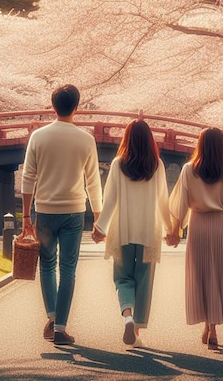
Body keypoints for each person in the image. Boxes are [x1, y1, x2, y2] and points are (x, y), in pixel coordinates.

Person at [21, 84, 103, 345]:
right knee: (68, 268)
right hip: (74, 212)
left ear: (53, 106)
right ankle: (60, 328)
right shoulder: (86, 139)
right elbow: (93, 182)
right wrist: (98, 217)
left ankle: (52, 317)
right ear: (76, 107)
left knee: (47, 265)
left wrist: (25, 217)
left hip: (44, 210)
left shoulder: (38, 136)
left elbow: (28, 178)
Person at [91, 120, 176, 348]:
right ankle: (136, 330)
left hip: (123, 231)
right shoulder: (156, 165)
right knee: (144, 280)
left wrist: (100, 228)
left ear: (126, 139)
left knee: (122, 278)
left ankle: (127, 315)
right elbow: (163, 201)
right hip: (148, 232)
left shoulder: (119, 164)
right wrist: (171, 229)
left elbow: (110, 200)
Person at [169, 127, 223, 350]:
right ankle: (212, 328)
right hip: (220, 225)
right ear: (222, 147)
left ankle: (206, 324)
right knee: (217, 275)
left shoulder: (189, 169)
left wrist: (175, 230)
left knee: (200, 274)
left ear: (199, 145)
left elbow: (181, 202)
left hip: (198, 225)